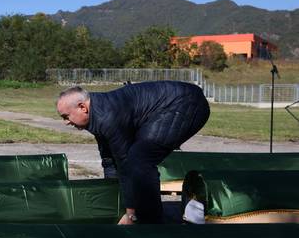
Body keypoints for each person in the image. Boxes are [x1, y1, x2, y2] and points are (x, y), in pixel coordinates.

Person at [56, 81, 210, 225]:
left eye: (66, 116)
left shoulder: (107, 116)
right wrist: (113, 204)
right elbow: (109, 160)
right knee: (129, 159)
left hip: (186, 103)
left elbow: (124, 164)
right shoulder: (97, 113)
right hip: (168, 106)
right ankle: (139, 214)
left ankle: (151, 224)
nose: (66, 122)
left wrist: (130, 212)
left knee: (139, 159)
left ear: (82, 107)